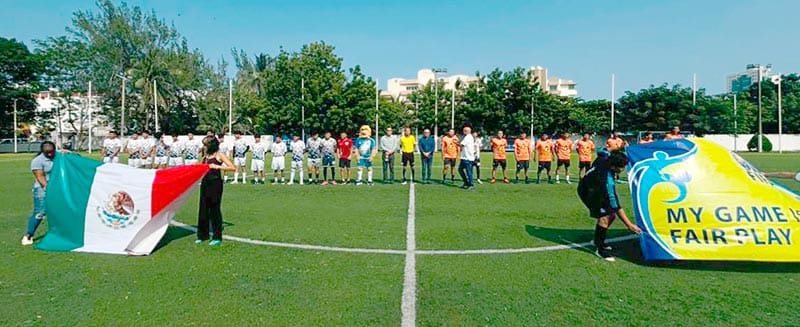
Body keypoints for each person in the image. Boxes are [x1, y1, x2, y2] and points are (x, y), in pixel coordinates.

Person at [577, 150, 642, 261]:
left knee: (611, 216)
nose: (624, 169)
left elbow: (601, 152)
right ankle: (600, 249)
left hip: (592, 187)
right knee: (605, 217)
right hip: (589, 192)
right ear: (613, 167)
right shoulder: (607, 181)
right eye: (622, 167)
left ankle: (597, 240)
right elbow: (615, 204)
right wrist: (629, 225)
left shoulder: (605, 158)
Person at [196, 137, 236, 246]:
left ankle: (217, 237)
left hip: (215, 184)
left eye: (206, 145)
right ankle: (202, 235)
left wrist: (218, 167)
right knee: (203, 208)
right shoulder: (205, 156)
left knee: (214, 209)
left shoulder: (219, 154)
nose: (204, 147)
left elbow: (232, 167)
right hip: (205, 183)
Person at [21, 141, 56, 246]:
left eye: (51, 152)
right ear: (43, 151)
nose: (50, 154)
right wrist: (47, 188)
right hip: (42, 189)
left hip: (57, 188)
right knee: (40, 212)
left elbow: (73, 156)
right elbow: (40, 176)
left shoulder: (57, 156)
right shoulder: (37, 161)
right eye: (47, 153)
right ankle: (28, 235)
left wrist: (66, 152)